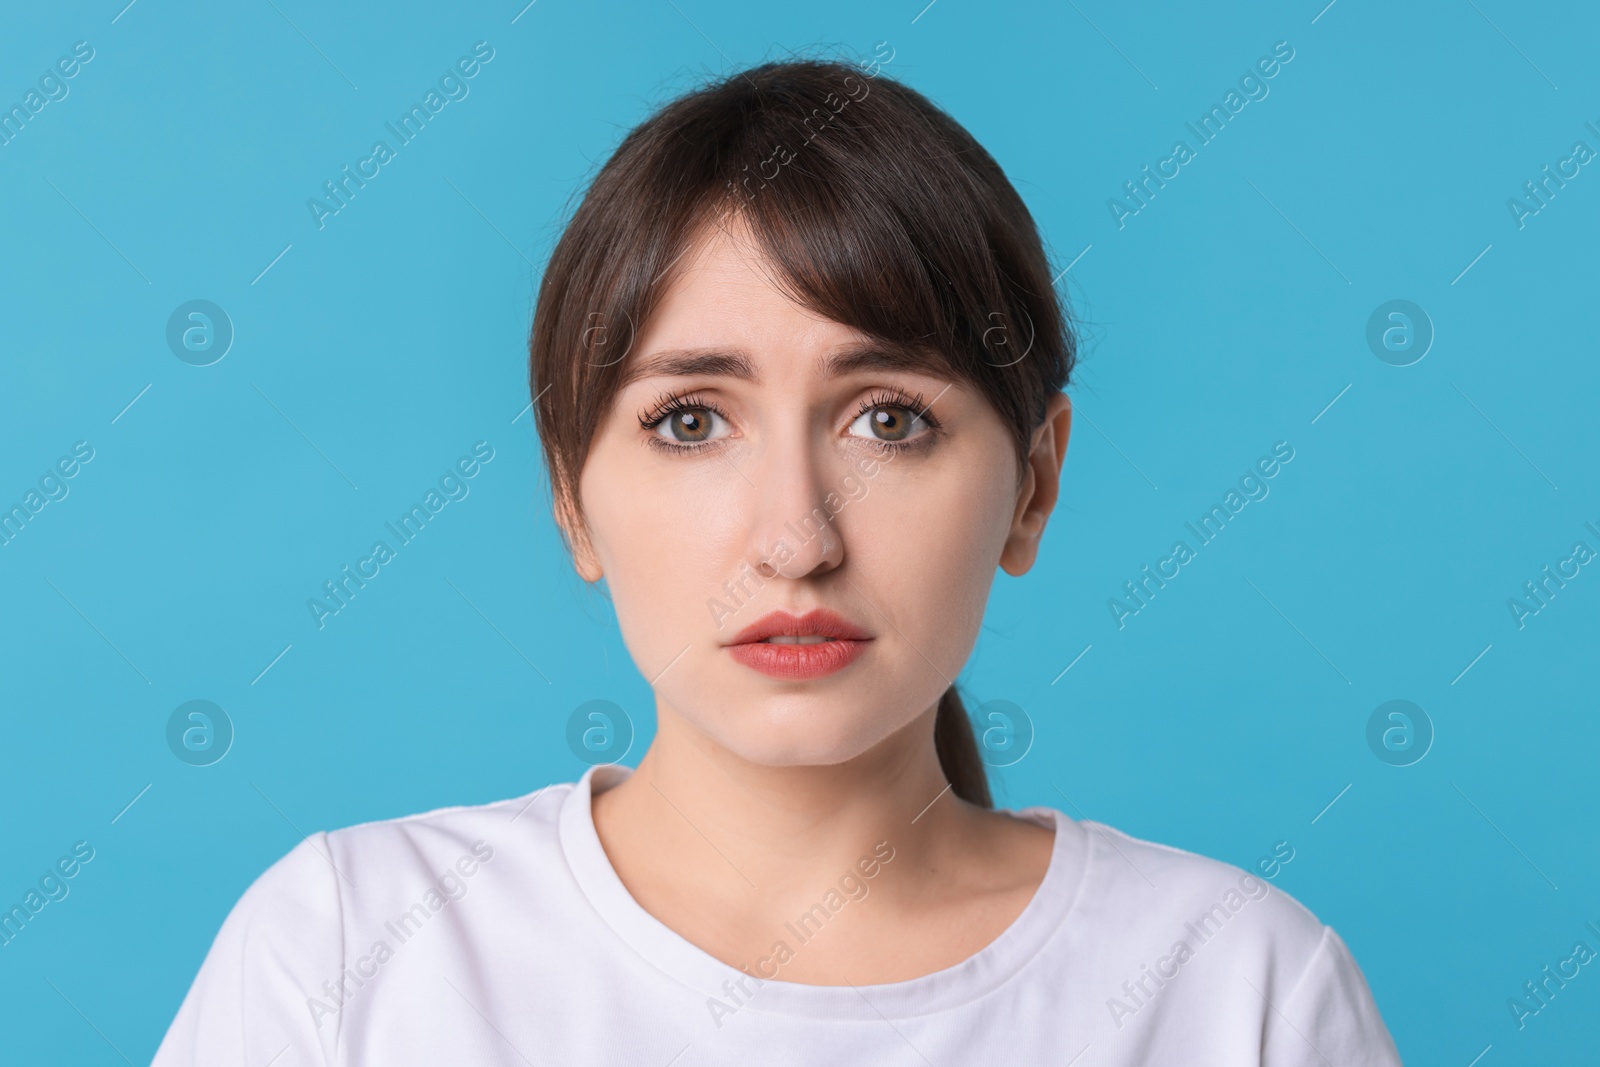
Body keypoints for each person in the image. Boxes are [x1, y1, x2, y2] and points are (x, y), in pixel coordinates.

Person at [153, 56, 1402, 1065]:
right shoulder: (347, 953)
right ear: (569, 499)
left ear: (1034, 484)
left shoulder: (1241, 994)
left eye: (889, 418)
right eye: (690, 420)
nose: (797, 537)